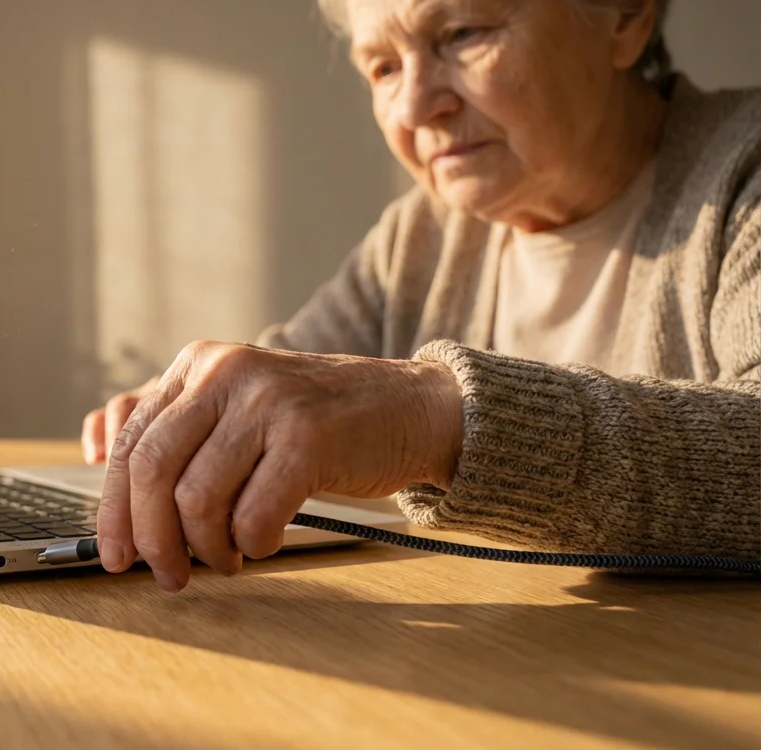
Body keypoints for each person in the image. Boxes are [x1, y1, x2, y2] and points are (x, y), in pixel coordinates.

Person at [81, 0, 761, 592]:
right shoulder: (426, 234)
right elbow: (299, 377)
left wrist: (433, 418)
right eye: (381, 67)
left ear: (626, 16)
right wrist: (194, 418)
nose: (413, 106)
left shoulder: (743, 174)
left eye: (463, 33)